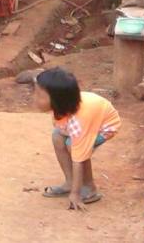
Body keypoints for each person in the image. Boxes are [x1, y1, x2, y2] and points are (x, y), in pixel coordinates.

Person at [36, 68, 121, 211]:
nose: (35, 99)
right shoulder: (63, 107)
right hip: (89, 118)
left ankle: (89, 188)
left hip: (105, 127)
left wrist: (75, 195)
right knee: (57, 136)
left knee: (72, 145)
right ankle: (70, 182)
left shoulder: (79, 121)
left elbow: (78, 158)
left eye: (40, 96)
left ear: (57, 100)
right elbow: (61, 125)